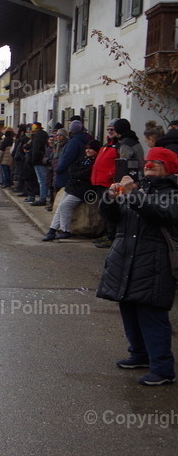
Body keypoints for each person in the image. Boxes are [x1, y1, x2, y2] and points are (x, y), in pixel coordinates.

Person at [97, 146, 178, 386]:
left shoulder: (173, 193)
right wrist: (110, 198)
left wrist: (133, 194)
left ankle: (162, 369)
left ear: (168, 167)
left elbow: (161, 214)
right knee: (129, 309)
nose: (149, 165)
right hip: (126, 258)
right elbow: (112, 218)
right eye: (148, 161)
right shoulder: (138, 188)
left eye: (157, 162)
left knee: (152, 314)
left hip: (154, 261)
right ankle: (139, 354)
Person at [44, 140, 99, 241]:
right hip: (72, 186)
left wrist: (77, 174)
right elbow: (72, 169)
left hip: (84, 189)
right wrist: (77, 174)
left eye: (91, 149)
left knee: (64, 206)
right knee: (60, 206)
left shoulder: (95, 162)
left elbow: (86, 174)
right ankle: (52, 230)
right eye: (87, 148)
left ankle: (66, 230)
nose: (88, 150)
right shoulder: (83, 159)